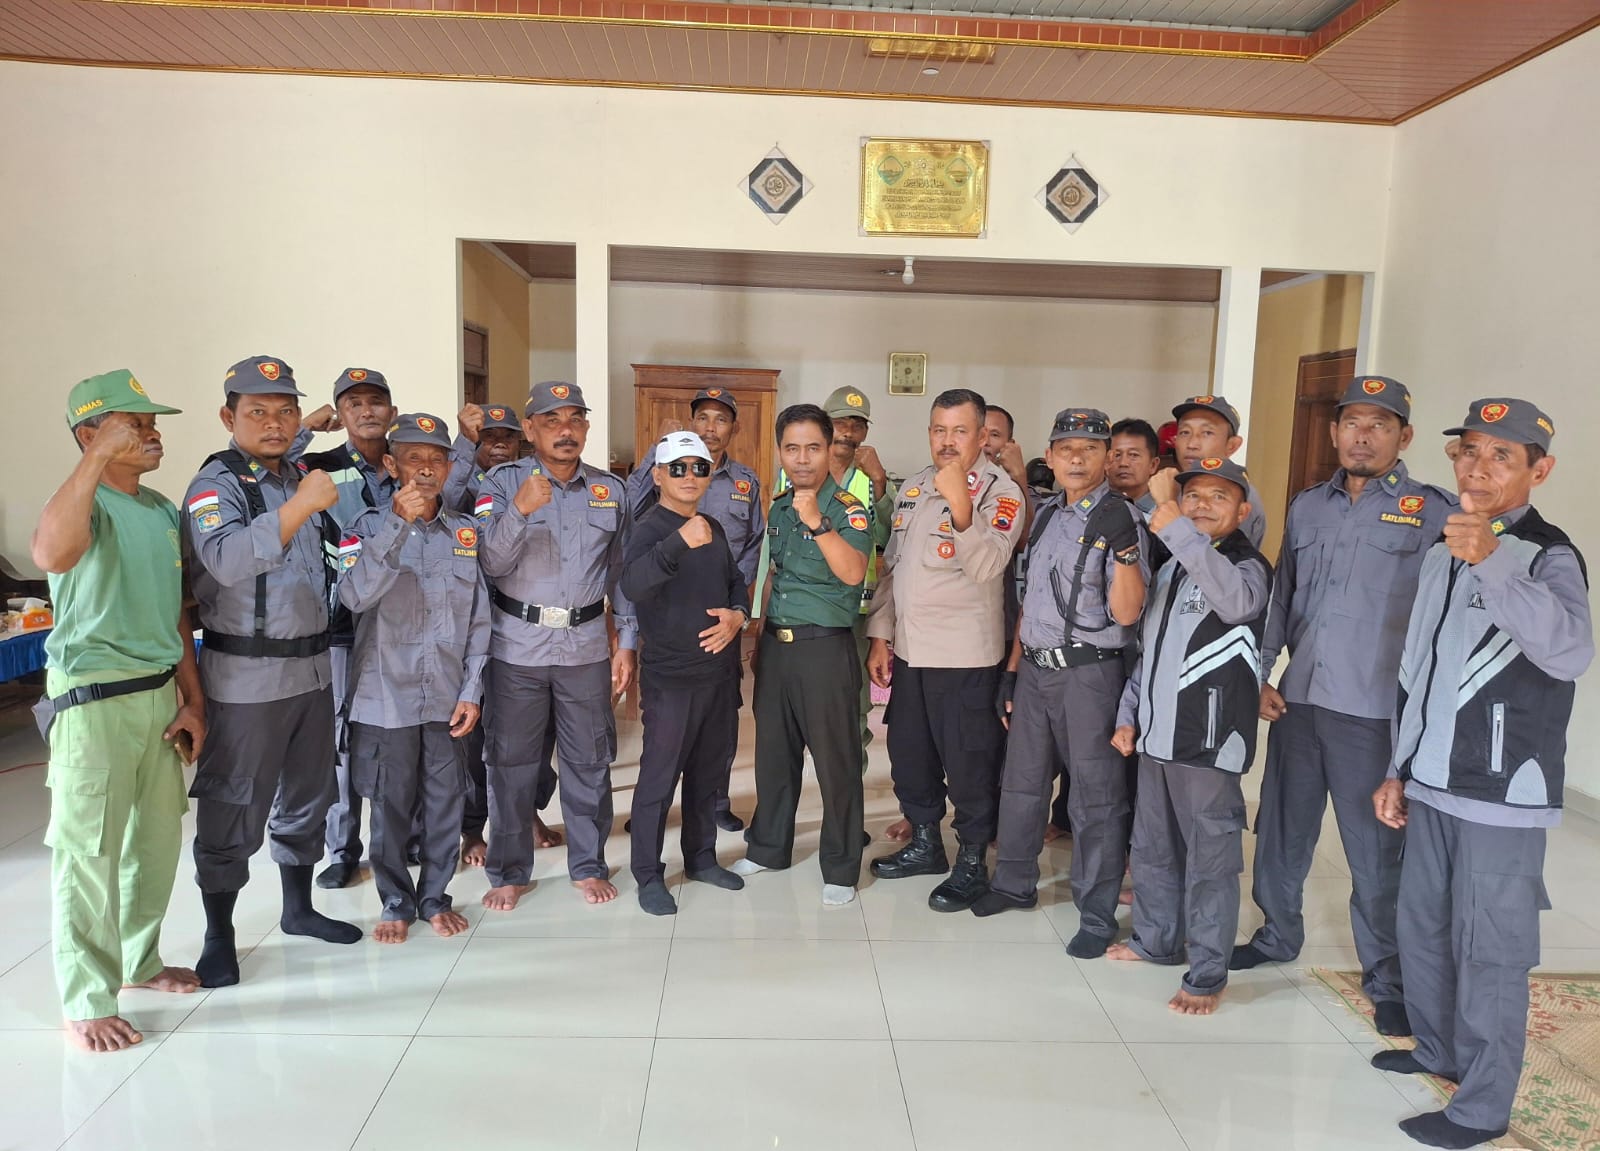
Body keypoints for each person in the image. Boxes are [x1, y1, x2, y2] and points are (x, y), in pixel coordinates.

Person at [1370, 399, 1591, 1151]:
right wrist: (1398, 768)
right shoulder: (1441, 549)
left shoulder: (1548, 555)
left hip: (1502, 793)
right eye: (1469, 450)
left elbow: (1568, 653)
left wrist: (1492, 559)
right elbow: (1417, 672)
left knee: (1491, 950)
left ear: (1539, 470)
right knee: (1423, 926)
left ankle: (1483, 1107)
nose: (1478, 467)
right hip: (1431, 781)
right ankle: (1438, 1050)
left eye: (1502, 455)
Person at [1232, 376, 1454, 1038]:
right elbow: (1283, 596)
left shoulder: (1432, 511)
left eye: (1380, 425)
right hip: (1300, 700)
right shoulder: (1308, 507)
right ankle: (1277, 933)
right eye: (1353, 422)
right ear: (1334, 432)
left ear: (1404, 436)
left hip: (1374, 710)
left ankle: (1388, 977)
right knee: (1281, 830)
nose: (1363, 435)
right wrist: (1261, 672)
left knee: (1376, 852)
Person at [32, 369, 205, 1053]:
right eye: (135, 424)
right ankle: (84, 1001)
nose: (153, 434)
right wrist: (96, 458)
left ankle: (139, 960)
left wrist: (192, 698)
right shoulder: (84, 502)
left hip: (157, 696)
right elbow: (51, 552)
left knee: (154, 845)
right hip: (94, 702)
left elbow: (175, 612)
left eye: (152, 423)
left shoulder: (159, 509)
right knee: (89, 855)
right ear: (90, 432)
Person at [184, 356, 361, 989]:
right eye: (257, 411)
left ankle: (297, 908)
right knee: (233, 804)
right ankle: (218, 933)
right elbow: (228, 560)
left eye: (286, 410)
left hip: (312, 671)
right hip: (246, 678)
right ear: (228, 416)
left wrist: (307, 472)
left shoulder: (296, 474)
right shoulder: (215, 484)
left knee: (310, 795)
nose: (275, 422)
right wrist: (303, 505)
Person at [974, 409, 1147, 956]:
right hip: (1035, 670)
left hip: (1090, 675)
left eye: (1089, 449)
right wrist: (1011, 671)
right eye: (1066, 448)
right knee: (1021, 783)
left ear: (1107, 458)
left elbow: (1128, 613)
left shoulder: (1121, 519)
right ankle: (1013, 883)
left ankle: (1096, 914)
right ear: (1048, 456)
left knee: (1097, 798)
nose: (1076, 457)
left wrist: (1125, 553)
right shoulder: (1047, 514)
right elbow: (1031, 601)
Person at [1103, 457, 1272, 1015]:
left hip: (1208, 743)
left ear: (1242, 513)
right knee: (1153, 849)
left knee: (1210, 864)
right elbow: (1150, 652)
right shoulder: (1175, 563)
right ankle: (1155, 940)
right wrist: (1130, 714)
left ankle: (1206, 974)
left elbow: (1237, 604)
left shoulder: (1247, 566)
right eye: (1193, 495)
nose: (1201, 505)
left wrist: (1173, 523)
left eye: (1218, 497)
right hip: (1158, 737)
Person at [477, 380, 637, 910]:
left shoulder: (610, 490)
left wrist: (626, 641)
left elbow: (621, 572)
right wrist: (519, 511)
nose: (566, 431)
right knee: (511, 763)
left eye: (575, 419)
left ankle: (587, 865)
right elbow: (487, 563)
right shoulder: (502, 483)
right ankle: (508, 870)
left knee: (589, 759)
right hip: (515, 648)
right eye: (552, 420)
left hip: (585, 647)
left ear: (586, 427)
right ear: (530, 429)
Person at [336, 413, 490, 943]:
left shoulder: (465, 533)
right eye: (413, 458)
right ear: (390, 464)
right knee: (391, 804)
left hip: (447, 694)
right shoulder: (364, 529)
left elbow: (479, 620)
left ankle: (435, 898)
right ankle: (396, 900)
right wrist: (397, 527)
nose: (426, 469)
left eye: (436, 459)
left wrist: (472, 690)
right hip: (385, 696)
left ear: (448, 468)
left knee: (447, 800)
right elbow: (353, 596)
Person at [867, 390, 1023, 911]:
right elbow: (893, 569)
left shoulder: (1001, 493)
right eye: (939, 430)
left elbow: (987, 567)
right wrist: (881, 635)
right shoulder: (914, 487)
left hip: (965, 659)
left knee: (970, 763)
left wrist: (961, 507)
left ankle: (972, 861)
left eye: (959, 431)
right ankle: (926, 844)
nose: (947, 441)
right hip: (912, 652)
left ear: (981, 436)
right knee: (909, 754)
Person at [732, 404, 872, 906]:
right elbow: (776, 575)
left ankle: (841, 865)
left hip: (825, 649)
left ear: (830, 448)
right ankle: (769, 847)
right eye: (792, 448)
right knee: (774, 756)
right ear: (780, 453)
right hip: (779, 646)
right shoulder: (780, 507)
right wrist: (760, 635)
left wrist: (818, 523)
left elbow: (853, 572)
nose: (802, 458)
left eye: (813, 447)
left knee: (836, 763)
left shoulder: (848, 508)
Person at [618, 430, 750, 915]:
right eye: (678, 468)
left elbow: (736, 580)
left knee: (707, 774)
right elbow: (632, 585)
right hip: (671, 679)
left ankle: (701, 858)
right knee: (659, 778)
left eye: (699, 467)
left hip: (718, 673)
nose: (689, 476)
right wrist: (677, 543)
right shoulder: (649, 529)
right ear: (658, 475)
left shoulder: (712, 524)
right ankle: (648, 874)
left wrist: (738, 615)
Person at [296, 368, 400, 891]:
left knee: (396, 736)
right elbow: (268, 467)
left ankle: (401, 839)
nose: (365, 411)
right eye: (352, 403)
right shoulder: (318, 466)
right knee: (340, 742)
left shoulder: (408, 463)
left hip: (402, 625)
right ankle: (342, 849)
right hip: (341, 625)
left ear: (392, 412)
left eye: (375, 401)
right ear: (340, 413)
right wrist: (306, 428)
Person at [445, 402, 562, 865]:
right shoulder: (462, 482)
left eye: (506, 437)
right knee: (477, 737)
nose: (497, 445)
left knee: (535, 731)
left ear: (522, 440)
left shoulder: (534, 481)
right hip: (472, 626)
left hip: (526, 628)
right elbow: (443, 504)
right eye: (487, 437)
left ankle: (526, 811)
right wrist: (462, 446)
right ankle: (473, 829)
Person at [1163, 396, 1267, 548]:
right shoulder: (1171, 485)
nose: (1192, 444)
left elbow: (1206, 558)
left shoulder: (1241, 496)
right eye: (1185, 432)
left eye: (1207, 433)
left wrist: (1167, 504)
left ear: (1232, 445)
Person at [1107, 418, 1162, 517]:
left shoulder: (1164, 511)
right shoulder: (1093, 507)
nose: (1123, 463)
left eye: (1133, 455)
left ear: (1153, 465)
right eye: (1117, 455)